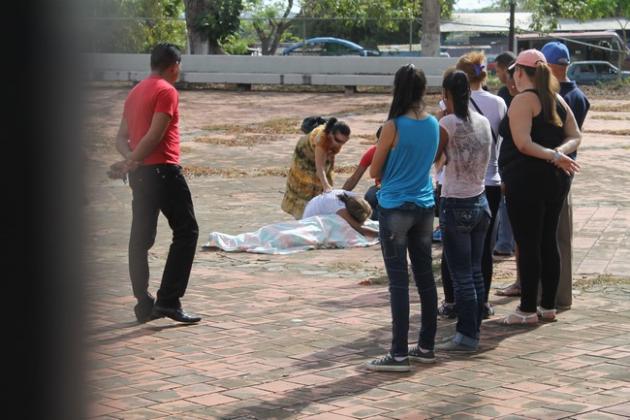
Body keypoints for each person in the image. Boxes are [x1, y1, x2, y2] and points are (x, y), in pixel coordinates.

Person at [111, 43, 201, 324]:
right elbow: (155, 134)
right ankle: (168, 301)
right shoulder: (166, 90)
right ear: (174, 65)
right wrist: (132, 161)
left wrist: (130, 161)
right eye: (179, 67)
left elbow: (120, 138)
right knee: (187, 231)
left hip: (140, 176)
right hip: (163, 171)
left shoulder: (136, 91)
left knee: (140, 238)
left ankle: (143, 303)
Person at [498, 49, 581, 325]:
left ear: (520, 72)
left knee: (529, 243)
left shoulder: (523, 100)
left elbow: (522, 143)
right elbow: (574, 136)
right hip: (554, 181)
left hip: (527, 181)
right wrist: (559, 153)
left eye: (514, 72)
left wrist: (555, 154)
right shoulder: (555, 98)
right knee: (546, 241)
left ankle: (527, 309)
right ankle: (547, 306)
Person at [365, 64, 439, 372]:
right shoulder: (434, 123)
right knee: (425, 278)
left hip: (395, 207)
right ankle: (426, 346)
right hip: (425, 205)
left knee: (398, 282)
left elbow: (374, 170)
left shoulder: (394, 125)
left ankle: (398, 354)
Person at [437, 52, 507, 320]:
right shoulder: (497, 105)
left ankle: (457, 308)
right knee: (481, 257)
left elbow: (437, 156)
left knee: (454, 258)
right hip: (488, 184)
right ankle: (482, 305)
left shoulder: (448, 116)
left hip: (454, 191)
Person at [434, 70, 492, 352]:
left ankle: (466, 335)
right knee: (475, 271)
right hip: (480, 200)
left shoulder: (447, 122)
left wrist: (439, 117)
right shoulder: (482, 122)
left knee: (462, 276)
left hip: (456, 201)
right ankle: (475, 328)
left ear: (447, 94)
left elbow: (434, 157)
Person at [541, 41, 590, 310]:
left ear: (548, 67)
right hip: (567, 168)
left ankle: (549, 295)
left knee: (548, 237)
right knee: (561, 238)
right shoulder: (580, 95)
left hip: (552, 169)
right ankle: (560, 293)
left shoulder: (554, 97)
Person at [281, 118, 351, 219]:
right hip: (304, 160)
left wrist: (328, 185)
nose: (340, 144)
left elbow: (327, 164)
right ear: (331, 134)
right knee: (305, 194)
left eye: (343, 142)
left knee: (322, 189)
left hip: (320, 160)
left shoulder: (335, 140)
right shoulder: (321, 139)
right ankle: (303, 222)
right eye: (338, 141)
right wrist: (326, 186)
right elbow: (319, 167)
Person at [342, 127, 382, 220]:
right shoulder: (373, 152)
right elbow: (354, 177)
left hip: (401, 190)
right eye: (380, 142)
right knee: (370, 196)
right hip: (381, 190)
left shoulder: (403, 153)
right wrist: (339, 196)